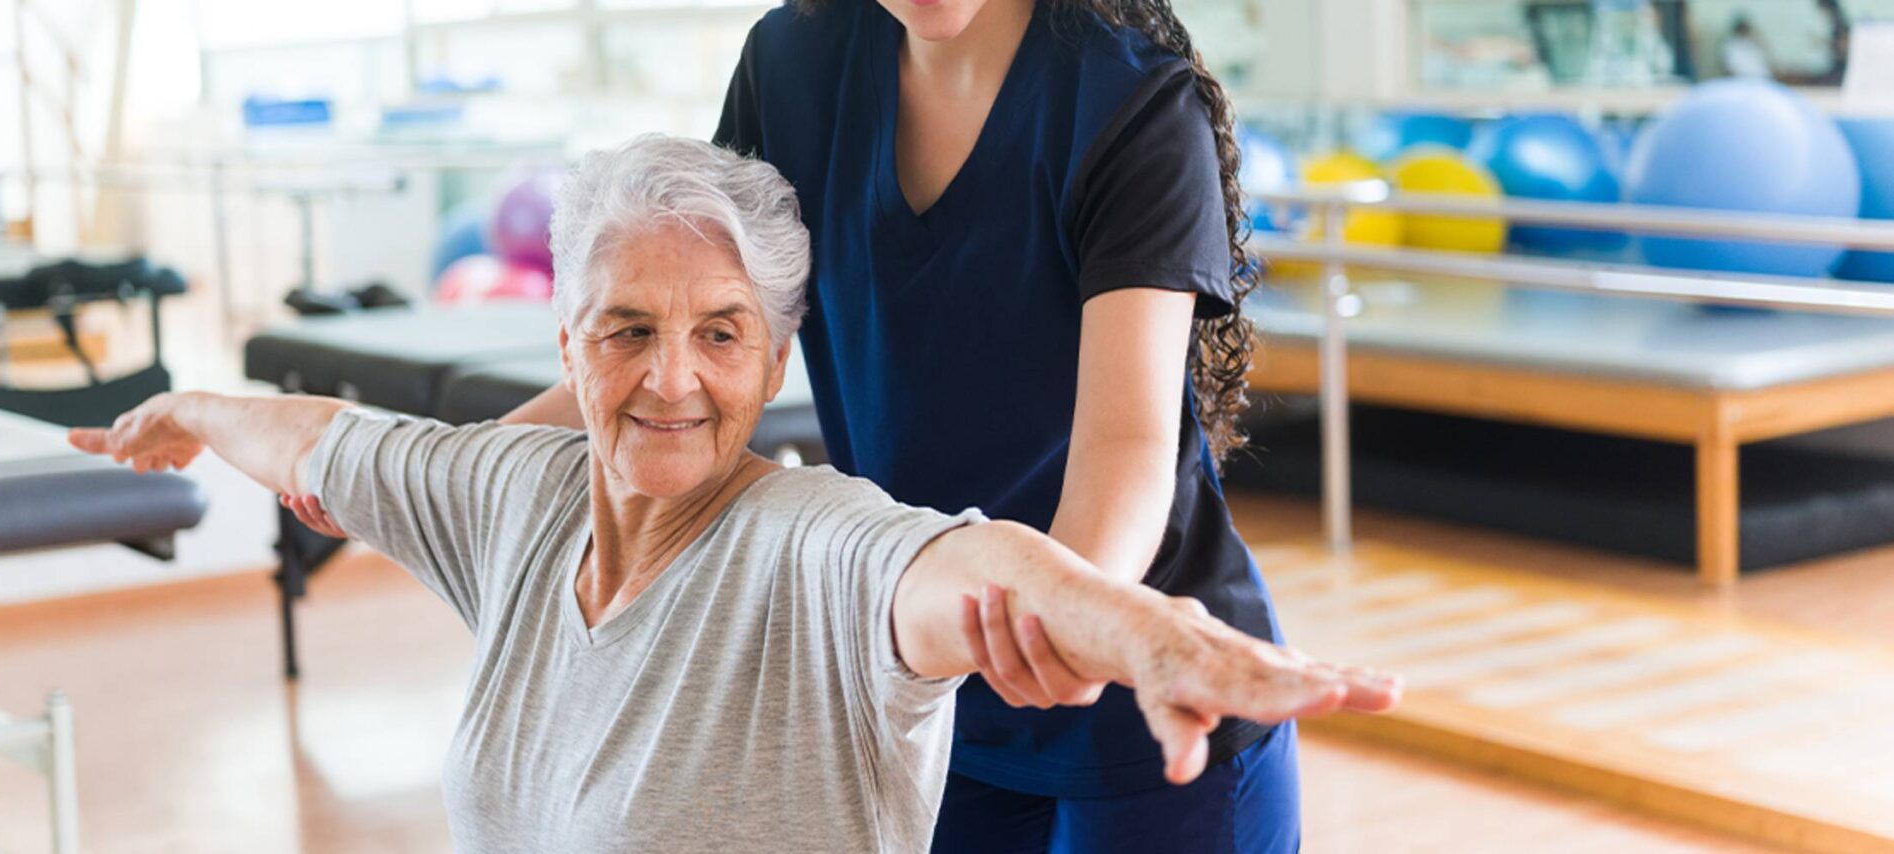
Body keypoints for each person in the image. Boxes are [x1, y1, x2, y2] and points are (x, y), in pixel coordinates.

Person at [77, 136, 1398, 852]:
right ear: (563, 348)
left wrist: (1154, 634)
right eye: (626, 330)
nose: (670, 377)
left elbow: (977, 563)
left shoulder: (809, 543)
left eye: (719, 333)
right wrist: (192, 412)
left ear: (774, 360)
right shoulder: (507, 492)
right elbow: (324, 438)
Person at [291, 0, 1344, 847]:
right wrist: (428, 471)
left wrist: (1067, 613)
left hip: (1141, 694)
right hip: (936, 684)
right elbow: (661, 340)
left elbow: (1124, 441)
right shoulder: (793, 62)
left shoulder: (1128, 100)